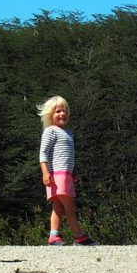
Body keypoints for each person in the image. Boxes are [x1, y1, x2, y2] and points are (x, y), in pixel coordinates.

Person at [38, 96, 98, 245]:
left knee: (58, 206)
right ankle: (79, 236)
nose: (62, 114)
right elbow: (43, 152)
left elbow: (67, 155)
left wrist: (72, 172)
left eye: (64, 111)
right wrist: (45, 172)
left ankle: (54, 236)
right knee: (69, 206)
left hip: (65, 174)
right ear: (50, 115)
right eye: (58, 111)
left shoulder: (69, 133)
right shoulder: (50, 131)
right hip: (56, 174)